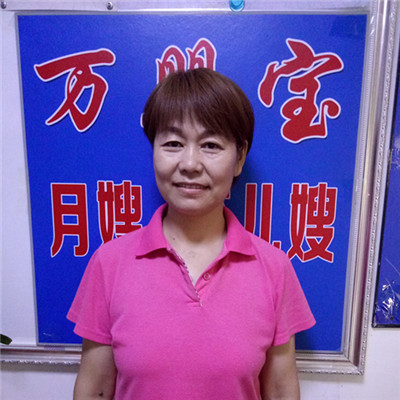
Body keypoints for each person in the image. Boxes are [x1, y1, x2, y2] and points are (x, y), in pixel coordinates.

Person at [68, 68, 315, 400]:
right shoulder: (109, 263)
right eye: (173, 143)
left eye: (211, 145)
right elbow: (95, 389)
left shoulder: (273, 268)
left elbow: (281, 391)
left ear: (239, 158)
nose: (190, 164)